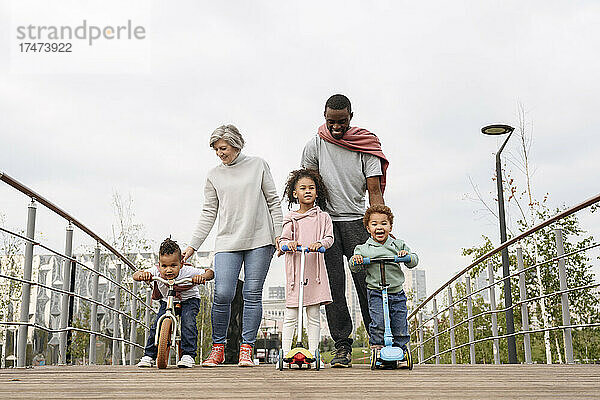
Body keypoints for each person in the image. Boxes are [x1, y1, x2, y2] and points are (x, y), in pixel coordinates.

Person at [182, 124, 283, 367]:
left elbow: (273, 201)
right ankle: (218, 348)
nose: (219, 153)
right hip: (228, 240)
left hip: (260, 239)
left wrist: (280, 235)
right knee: (223, 293)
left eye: (223, 148)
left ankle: (246, 349)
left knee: (251, 293)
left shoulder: (258, 165)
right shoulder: (214, 175)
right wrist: (193, 246)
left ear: (236, 144)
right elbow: (209, 212)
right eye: (216, 149)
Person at [301, 94, 389, 367]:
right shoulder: (314, 145)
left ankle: (378, 342)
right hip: (325, 223)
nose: (336, 127)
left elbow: (374, 190)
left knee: (367, 283)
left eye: (341, 122)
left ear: (351, 115)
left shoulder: (366, 145)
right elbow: (307, 189)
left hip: (356, 222)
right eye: (331, 122)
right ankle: (342, 346)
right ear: (323, 116)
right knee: (333, 287)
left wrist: (380, 225)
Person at [278, 168, 334, 366]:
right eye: (303, 188)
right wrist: (288, 243)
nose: (307, 191)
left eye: (311, 188)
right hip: (296, 271)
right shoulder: (291, 218)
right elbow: (283, 241)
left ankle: (313, 353)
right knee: (291, 314)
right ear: (295, 193)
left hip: (314, 270)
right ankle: (285, 355)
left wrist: (320, 244)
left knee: (313, 314)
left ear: (317, 192)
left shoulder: (323, 217)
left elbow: (329, 238)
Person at [135, 237, 214, 368]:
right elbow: (136, 274)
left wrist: (202, 277)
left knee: (188, 323)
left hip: (189, 300)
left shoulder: (187, 271)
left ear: (181, 264)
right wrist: (142, 275)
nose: (168, 270)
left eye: (173, 265)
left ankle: (188, 355)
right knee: (157, 325)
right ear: (159, 264)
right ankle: (149, 355)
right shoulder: (156, 271)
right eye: (164, 266)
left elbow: (210, 273)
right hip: (167, 301)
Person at [349, 205, 419, 352]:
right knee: (378, 321)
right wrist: (357, 260)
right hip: (376, 292)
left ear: (390, 227)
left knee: (400, 322)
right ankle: (377, 347)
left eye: (383, 223)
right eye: (374, 224)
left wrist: (405, 256)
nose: (379, 227)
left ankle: (401, 349)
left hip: (396, 292)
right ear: (368, 229)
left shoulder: (398, 244)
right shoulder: (363, 248)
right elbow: (353, 267)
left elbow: (414, 260)